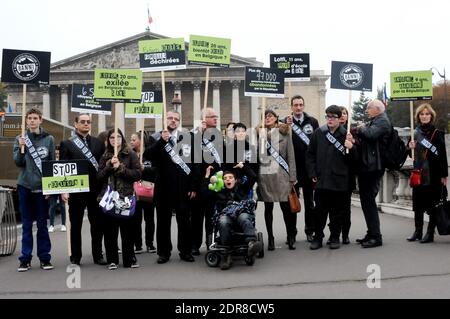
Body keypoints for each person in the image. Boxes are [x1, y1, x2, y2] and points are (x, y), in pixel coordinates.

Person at [145, 111, 200, 264]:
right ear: (165, 120)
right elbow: (147, 155)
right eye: (170, 118)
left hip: (183, 187)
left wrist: (194, 186)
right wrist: (161, 141)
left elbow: (196, 164)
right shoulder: (155, 138)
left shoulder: (189, 138)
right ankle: (163, 252)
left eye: (176, 119)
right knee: (163, 222)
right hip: (163, 187)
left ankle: (185, 251)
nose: (173, 121)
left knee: (184, 222)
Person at [306, 105, 357, 250]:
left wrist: (351, 147)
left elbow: (354, 160)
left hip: (339, 180)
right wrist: (312, 173)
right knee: (319, 212)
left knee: (337, 212)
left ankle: (335, 237)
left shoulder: (346, 135)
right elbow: (310, 155)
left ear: (339, 119)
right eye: (327, 116)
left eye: (333, 117)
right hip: (322, 179)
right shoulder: (318, 133)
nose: (330, 119)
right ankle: (318, 237)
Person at [60, 114, 106, 266]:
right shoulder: (67, 144)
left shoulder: (99, 143)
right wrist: (63, 190)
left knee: (97, 225)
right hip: (76, 190)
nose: (86, 124)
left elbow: (102, 166)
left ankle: (97, 255)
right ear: (75, 124)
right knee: (76, 225)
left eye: (88, 122)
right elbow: (63, 169)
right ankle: (76, 256)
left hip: (95, 190)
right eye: (83, 122)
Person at [14, 107, 55, 272]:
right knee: (26, 225)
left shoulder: (49, 139)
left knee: (42, 225)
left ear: (40, 120)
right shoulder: (20, 138)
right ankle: (25, 258)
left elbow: (52, 164)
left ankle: (44, 258)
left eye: (35, 118)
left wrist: (50, 188)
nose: (32, 120)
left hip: (41, 188)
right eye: (29, 118)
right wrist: (22, 149)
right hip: (24, 186)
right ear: (26, 120)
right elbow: (17, 162)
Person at [97, 128, 141, 270]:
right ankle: (112, 259)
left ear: (122, 138)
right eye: (112, 138)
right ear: (108, 140)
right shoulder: (104, 156)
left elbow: (137, 174)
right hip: (109, 198)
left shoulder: (131, 154)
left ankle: (129, 258)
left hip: (125, 197)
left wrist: (120, 168)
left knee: (127, 231)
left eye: (118, 137)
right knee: (110, 231)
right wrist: (109, 166)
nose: (115, 140)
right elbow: (99, 177)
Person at [204, 165, 261, 270]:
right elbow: (206, 193)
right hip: (226, 215)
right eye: (225, 178)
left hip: (241, 213)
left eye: (230, 178)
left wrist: (243, 167)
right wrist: (207, 176)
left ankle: (251, 244)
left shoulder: (242, 188)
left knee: (244, 217)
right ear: (223, 181)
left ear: (235, 180)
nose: (227, 180)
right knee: (223, 221)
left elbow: (253, 177)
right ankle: (226, 255)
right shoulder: (219, 191)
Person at [406, 103, 448, 243]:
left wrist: (444, 175)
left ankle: (430, 233)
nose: (424, 116)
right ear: (418, 116)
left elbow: (442, 156)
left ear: (431, 116)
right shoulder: (414, 132)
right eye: (422, 114)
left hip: (433, 174)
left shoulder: (437, 133)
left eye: (427, 114)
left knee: (433, 205)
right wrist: (409, 147)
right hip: (418, 173)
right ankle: (418, 231)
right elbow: (411, 155)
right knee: (417, 205)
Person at [353, 99, 391, 248]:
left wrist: (361, 128)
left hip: (374, 167)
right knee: (366, 202)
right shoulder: (376, 120)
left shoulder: (382, 121)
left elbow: (370, 135)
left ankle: (376, 236)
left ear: (377, 109)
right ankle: (371, 233)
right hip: (368, 166)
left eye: (368, 108)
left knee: (369, 202)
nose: (366, 111)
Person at [257, 109, 297, 250]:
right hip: (266, 175)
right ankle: (271, 238)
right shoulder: (259, 134)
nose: (268, 118)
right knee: (268, 208)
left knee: (286, 208)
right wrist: (262, 139)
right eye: (265, 116)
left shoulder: (285, 133)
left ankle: (290, 236)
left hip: (282, 175)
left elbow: (290, 155)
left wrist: (292, 176)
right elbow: (260, 157)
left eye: (270, 116)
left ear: (276, 118)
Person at [190, 107, 224, 255]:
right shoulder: (194, 135)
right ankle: (195, 245)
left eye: (216, 116)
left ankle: (210, 242)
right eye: (212, 116)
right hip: (199, 183)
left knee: (212, 216)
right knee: (197, 217)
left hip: (214, 182)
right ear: (204, 119)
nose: (215, 118)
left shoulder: (218, 135)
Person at [285, 95, 319, 243]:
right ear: (291, 107)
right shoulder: (286, 122)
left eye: (300, 105)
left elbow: (318, 145)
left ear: (303, 106)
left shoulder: (312, 122)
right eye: (295, 105)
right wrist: (286, 126)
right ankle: (291, 233)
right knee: (292, 202)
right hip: (292, 169)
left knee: (309, 203)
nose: (298, 107)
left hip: (308, 169)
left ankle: (310, 230)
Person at [129, 131, 157, 253]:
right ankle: (138, 244)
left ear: (140, 140)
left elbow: (157, 170)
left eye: (134, 139)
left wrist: (145, 168)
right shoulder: (130, 154)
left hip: (148, 190)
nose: (131, 142)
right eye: (131, 140)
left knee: (149, 218)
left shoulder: (150, 153)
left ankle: (150, 243)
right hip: (134, 191)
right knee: (136, 219)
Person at [48, 145, 66, 233]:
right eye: (56, 153)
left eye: (58, 153)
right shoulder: (50, 162)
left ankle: (63, 224)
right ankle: (51, 225)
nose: (57, 155)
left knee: (63, 206)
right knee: (52, 206)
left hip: (63, 185)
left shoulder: (64, 161)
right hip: (53, 186)